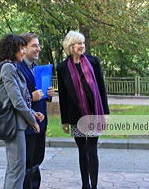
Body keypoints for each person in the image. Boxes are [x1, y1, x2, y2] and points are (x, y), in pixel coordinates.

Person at [0, 34, 44, 189]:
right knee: (17, 169)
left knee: (14, 168)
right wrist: (32, 121)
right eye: (21, 48)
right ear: (13, 50)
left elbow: (18, 99)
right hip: (14, 125)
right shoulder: (9, 68)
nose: (23, 52)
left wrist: (32, 112)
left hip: (16, 123)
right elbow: (17, 101)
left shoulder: (8, 67)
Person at [56, 31, 110, 189]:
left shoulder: (93, 62)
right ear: (70, 46)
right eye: (79, 43)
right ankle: (85, 185)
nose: (82, 46)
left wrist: (105, 112)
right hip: (75, 116)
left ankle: (94, 185)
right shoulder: (62, 67)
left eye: (83, 43)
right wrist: (64, 120)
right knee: (82, 150)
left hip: (94, 113)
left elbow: (101, 87)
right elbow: (64, 96)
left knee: (92, 150)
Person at [18, 33, 55, 189]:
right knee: (27, 163)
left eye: (38, 45)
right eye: (34, 45)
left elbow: (40, 93)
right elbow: (13, 97)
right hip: (26, 124)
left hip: (41, 122)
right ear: (23, 48)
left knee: (37, 161)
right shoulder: (16, 68)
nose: (38, 49)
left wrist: (48, 95)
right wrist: (30, 97)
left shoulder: (39, 69)